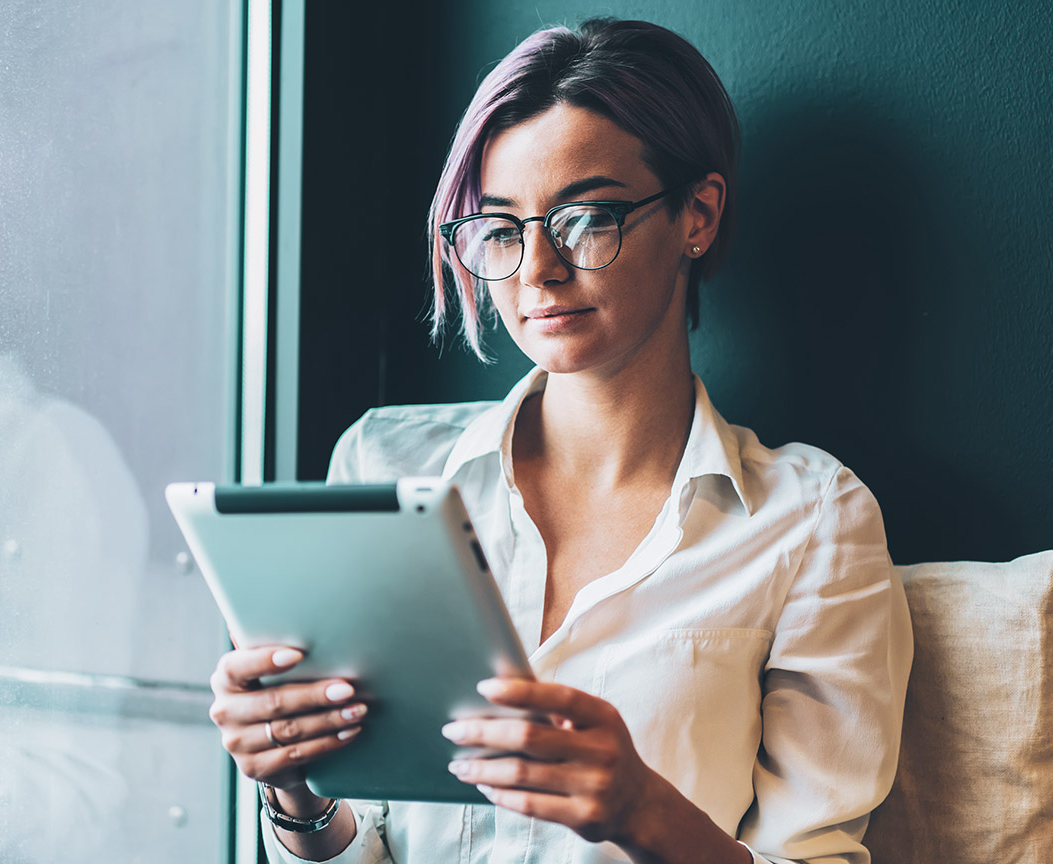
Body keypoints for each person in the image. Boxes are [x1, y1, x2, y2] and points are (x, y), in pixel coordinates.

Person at [207, 17, 912, 864]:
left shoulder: (809, 522)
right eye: (502, 229)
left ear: (698, 214)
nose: (537, 268)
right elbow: (366, 841)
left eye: (584, 219)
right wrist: (295, 789)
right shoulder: (383, 467)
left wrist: (645, 810)